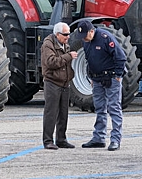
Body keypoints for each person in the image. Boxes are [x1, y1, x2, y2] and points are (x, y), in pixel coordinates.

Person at [75, 21, 126, 151]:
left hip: (111, 78)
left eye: (85, 35)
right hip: (96, 79)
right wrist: (91, 76)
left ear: (91, 31)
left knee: (114, 108)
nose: (84, 39)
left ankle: (115, 140)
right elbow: (88, 59)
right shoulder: (86, 41)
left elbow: (120, 57)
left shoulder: (105, 37)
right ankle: (99, 138)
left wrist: (118, 76)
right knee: (99, 109)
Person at [41, 22, 78, 150]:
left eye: (68, 34)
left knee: (63, 113)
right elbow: (51, 62)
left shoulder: (64, 44)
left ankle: (61, 139)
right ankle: (48, 140)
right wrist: (68, 56)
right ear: (57, 34)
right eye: (65, 34)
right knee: (51, 113)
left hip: (64, 83)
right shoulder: (48, 45)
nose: (68, 37)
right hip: (52, 83)